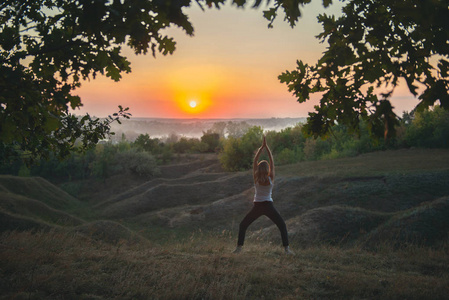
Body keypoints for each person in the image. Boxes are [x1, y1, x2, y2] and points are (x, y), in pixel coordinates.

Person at [233, 136, 293, 255]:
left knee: (243, 225)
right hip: (269, 206)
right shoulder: (271, 178)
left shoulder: (256, 178)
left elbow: (255, 161)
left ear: (258, 168)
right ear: (268, 169)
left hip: (257, 206)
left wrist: (261, 148)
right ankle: (287, 250)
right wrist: (267, 148)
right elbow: (272, 161)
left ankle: (239, 248)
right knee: (282, 225)